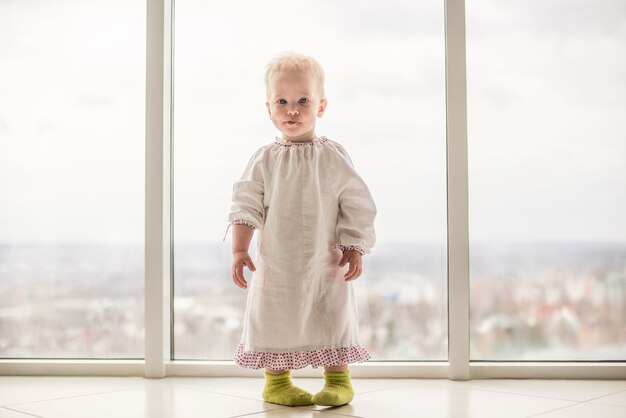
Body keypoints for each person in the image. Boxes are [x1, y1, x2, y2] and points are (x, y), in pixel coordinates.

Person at [225, 52, 376, 407]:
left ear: (321, 106)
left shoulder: (333, 156)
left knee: (331, 311)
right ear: (269, 108)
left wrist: (354, 245)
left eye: (302, 101)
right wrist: (239, 249)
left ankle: (338, 378)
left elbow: (355, 201)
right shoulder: (264, 159)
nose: (292, 110)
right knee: (273, 313)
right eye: (282, 101)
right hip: (277, 259)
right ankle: (276, 383)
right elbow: (245, 204)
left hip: (326, 257)